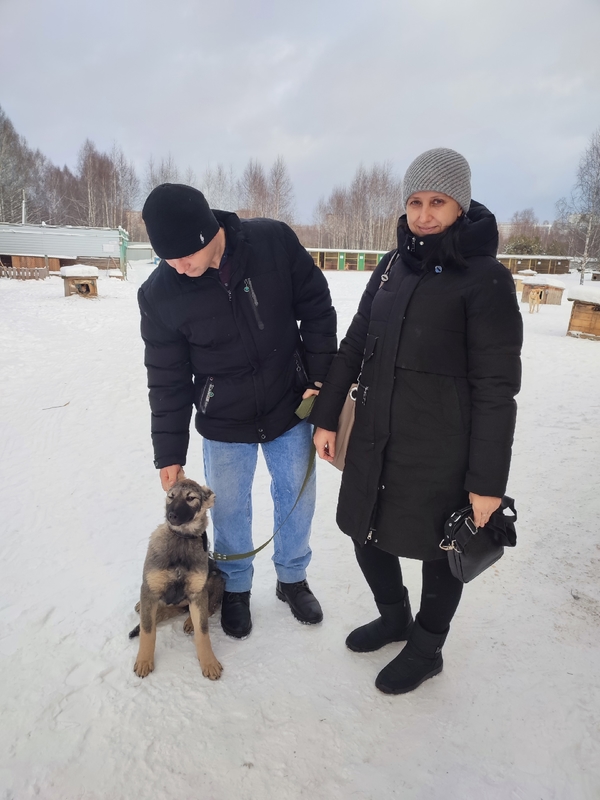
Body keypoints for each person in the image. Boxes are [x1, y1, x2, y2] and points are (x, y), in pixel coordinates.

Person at [312, 148, 523, 694]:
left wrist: (486, 483)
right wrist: (327, 416)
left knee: (439, 551)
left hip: (442, 451)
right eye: (414, 202)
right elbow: (355, 344)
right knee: (364, 530)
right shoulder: (391, 266)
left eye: (437, 202)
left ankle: (427, 649)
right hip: (375, 435)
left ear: (461, 206)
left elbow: (497, 389)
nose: (424, 215)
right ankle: (394, 617)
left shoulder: (486, 280)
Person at [139, 184, 337, 639]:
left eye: (184, 255)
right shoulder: (160, 294)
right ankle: (235, 587)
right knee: (228, 509)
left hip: (289, 403)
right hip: (223, 419)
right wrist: (169, 452)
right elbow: (167, 378)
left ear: (209, 232)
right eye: (167, 259)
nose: (178, 267)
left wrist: (320, 379)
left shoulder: (272, 242)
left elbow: (317, 308)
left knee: (297, 498)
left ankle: (292, 578)